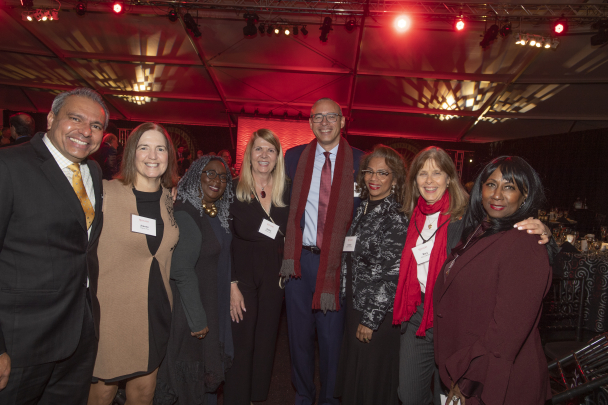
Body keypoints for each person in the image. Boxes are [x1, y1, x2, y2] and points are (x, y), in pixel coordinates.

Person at [393, 146, 553, 405]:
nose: (429, 180)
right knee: (410, 392)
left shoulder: (466, 215)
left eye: (437, 172)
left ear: (450, 178)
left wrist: (544, 231)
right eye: (422, 173)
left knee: (442, 395)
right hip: (420, 313)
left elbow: (509, 327)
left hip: (461, 328)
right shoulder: (408, 216)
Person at [0, 87, 108, 403]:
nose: (85, 132)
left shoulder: (95, 172)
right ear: (50, 118)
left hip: (78, 335)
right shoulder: (9, 166)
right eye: (75, 119)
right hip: (22, 341)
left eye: (96, 126)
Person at [87, 123, 185, 405]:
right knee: (103, 392)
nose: (152, 155)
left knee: (144, 393)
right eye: (144, 147)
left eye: (160, 148)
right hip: (111, 314)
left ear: (169, 156)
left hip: (155, 309)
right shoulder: (104, 194)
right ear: (131, 153)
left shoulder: (169, 197)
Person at [280, 98, 364, 405]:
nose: (324, 122)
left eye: (331, 117)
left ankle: (330, 398)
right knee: (298, 338)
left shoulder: (361, 161)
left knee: (332, 340)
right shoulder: (293, 158)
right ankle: (303, 394)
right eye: (317, 117)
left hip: (337, 265)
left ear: (343, 122)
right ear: (311, 123)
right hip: (299, 262)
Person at [156, 155, 234, 405]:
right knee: (189, 381)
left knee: (205, 380)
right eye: (210, 174)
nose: (217, 181)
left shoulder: (218, 214)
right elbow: (181, 269)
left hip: (212, 300)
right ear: (195, 176)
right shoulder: (186, 212)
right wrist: (198, 319)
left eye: (223, 177)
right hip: (191, 310)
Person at [334, 145, 408, 405]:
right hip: (357, 304)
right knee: (357, 376)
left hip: (376, 314)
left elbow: (391, 275)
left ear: (395, 179)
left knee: (371, 382)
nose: (374, 178)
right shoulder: (364, 209)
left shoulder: (395, 217)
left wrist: (370, 319)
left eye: (382, 173)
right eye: (369, 171)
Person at [223, 129, 290, 405]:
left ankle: (257, 398)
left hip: (274, 276)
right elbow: (222, 239)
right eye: (258, 149)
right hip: (242, 275)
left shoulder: (288, 188)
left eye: (270, 150)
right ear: (249, 154)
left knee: (265, 341)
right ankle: (237, 398)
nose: (264, 155)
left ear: (277, 157)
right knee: (242, 341)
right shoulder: (233, 188)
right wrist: (231, 283)